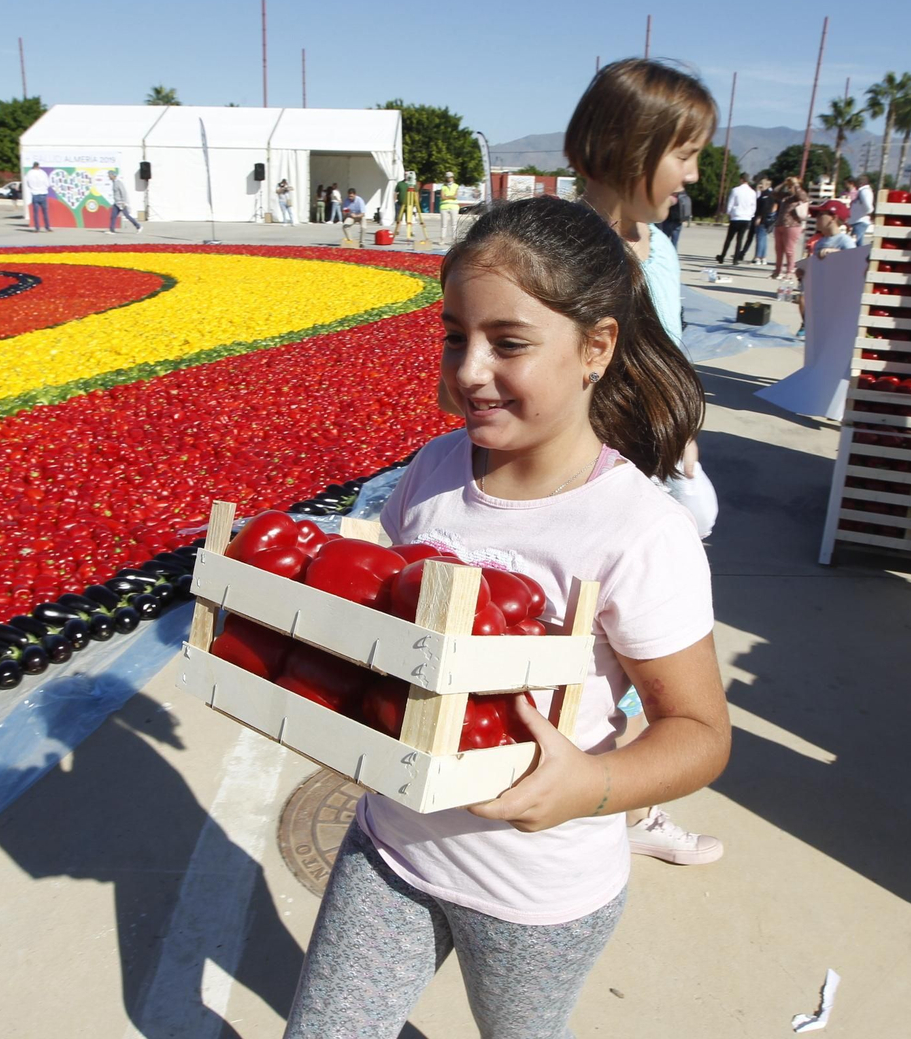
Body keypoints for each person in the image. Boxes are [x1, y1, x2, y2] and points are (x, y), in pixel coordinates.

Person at [282, 196, 730, 1039]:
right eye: (455, 336)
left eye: (509, 342)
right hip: (391, 847)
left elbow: (701, 731)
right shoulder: (434, 469)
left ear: (597, 347)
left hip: (537, 895)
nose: (471, 369)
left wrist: (592, 785)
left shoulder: (639, 531)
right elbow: (394, 634)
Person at [564, 56, 725, 865]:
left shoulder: (654, 244)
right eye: (684, 154)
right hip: (595, 486)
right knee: (594, 656)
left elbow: (664, 352)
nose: (693, 175)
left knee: (635, 651)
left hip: (650, 471)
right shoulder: (564, 252)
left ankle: (622, 801)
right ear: (633, 147)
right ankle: (605, 803)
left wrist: (680, 440)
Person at [794, 201, 856, 339]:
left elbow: (854, 263)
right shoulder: (820, 242)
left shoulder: (845, 241)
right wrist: (804, 272)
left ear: (833, 218)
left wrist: (836, 253)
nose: (816, 218)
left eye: (820, 214)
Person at [771, 176, 810, 279]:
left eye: (791, 186)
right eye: (789, 186)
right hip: (780, 224)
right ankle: (777, 271)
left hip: (793, 225)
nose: (790, 188)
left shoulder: (799, 196)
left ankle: (789, 271)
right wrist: (784, 183)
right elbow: (774, 193)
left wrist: (796, 184)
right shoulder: (786, 196)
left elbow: (804, 197)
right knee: (779, 249)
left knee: (789, 250)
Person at [716, 175, 756, 264]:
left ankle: (722, 256)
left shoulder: (735, 190)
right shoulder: (752, 192)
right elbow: (753, 206)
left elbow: (730, 203)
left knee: (729, 238)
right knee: (740, 239)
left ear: (741, 180)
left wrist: (729, 213)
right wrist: (750, 215)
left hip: (736, 217)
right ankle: (736, 259)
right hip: (746, 218)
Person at [106, 169, 142, 234]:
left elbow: (123, 192)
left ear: (113, 175)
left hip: (121, 203)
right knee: (113, 216)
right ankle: (112, 230)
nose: (108, 176)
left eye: (109, 175)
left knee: (127, 216)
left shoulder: (119, 183)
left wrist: (124, 202)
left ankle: (138, 226)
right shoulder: (114, 183)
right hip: (116, 203)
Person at [751, 175, 776, 266]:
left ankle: (758, 257)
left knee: (760, 238)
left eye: (762, 184)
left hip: (763, 219)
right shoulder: (767, 194)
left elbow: (764, 208)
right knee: (764, 238)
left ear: (767, 185)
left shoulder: (765, 195)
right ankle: (763, 257)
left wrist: (759, 217)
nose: (760, 185)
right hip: (767, 219)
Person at [847, 174, 875, 245]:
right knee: (858, 243)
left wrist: (869, 212)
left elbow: (868, 206)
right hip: (858, 221)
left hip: (860, 221)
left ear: (861, 183)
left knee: (853, 242)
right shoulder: (863, 191)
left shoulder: (864, 191)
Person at [25, 162, 52, 232]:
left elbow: (28, 184)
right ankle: (47, 227)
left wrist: (33, 188)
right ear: (38, 166)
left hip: (35, 193)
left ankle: (37, 228)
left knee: (36, 213)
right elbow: (48, 184)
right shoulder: (43, 173)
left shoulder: (29, 173)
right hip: (43, 193)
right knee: (45, 212)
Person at [438, 170, 461, 246]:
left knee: (454, 224)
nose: (449, 179)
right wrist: (451, 196)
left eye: (450, 177)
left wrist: (447, 196)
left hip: (454, 207)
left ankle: (454, 240)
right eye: (448, 177)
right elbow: (442, 197)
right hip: (444, 207)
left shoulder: (456, 186)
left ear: (452, 177)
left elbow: (455, 196)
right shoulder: (443, 186)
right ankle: (442, 239)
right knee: (443, 224)